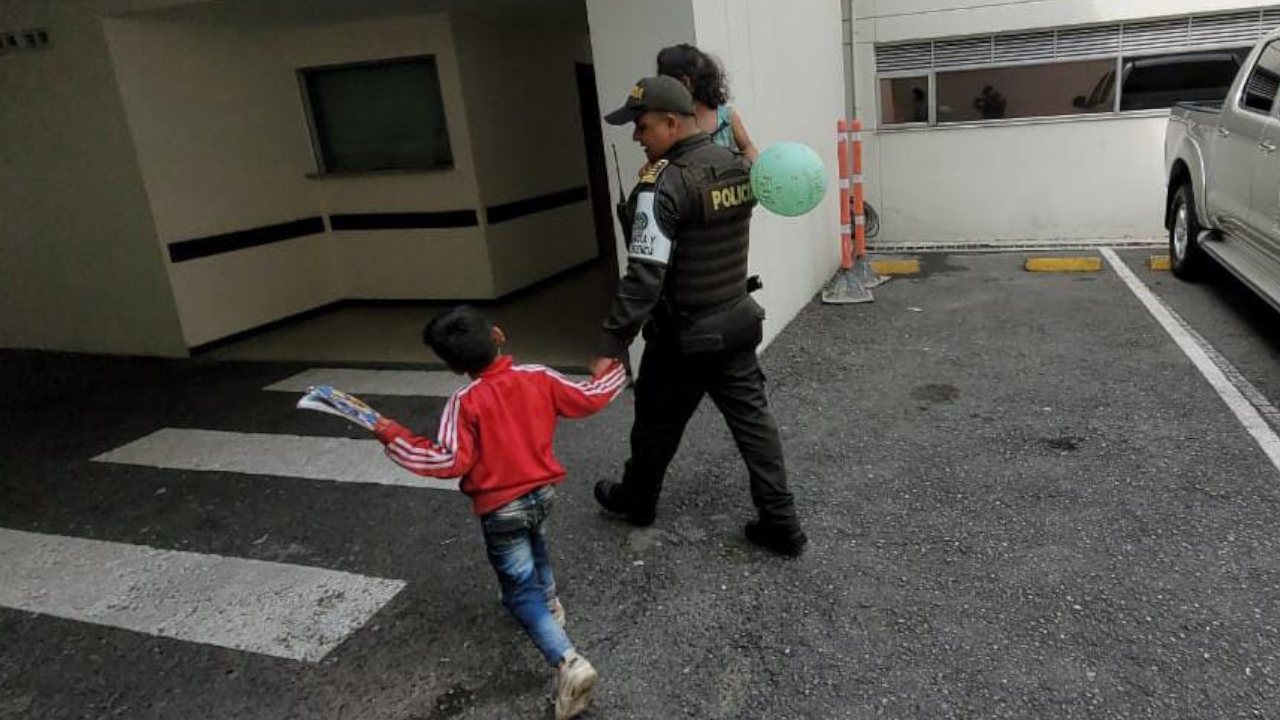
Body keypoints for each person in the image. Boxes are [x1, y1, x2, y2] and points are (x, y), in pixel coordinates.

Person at [370, 306, 627, 720]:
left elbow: (448, 461)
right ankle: (551, 605)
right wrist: (612, 365)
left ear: (454, 368)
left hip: (500, 508)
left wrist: (389, 433)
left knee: (517, 588)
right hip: (542, 495)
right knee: (535, 539)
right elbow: (590, 397)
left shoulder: (463, 401)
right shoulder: (538, 376)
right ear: (498, 334)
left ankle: (568, 662)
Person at [589, 76, 807, 556]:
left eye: (642, 126)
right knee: (755, 426)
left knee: (653, 424)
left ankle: (638, 500)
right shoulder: (735, 166)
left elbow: (644, 277)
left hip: (682, 337)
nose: (636, 137)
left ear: (671, 122)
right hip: (736, 322)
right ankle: (782, 523)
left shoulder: (662, 183)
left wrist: (611, 344)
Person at [657, 43, 759, 164]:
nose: (662, 91)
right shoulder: (673, 122)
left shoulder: (726, 117)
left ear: (685, 82)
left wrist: (753, 161)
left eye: (666, 85)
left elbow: (747, 147)